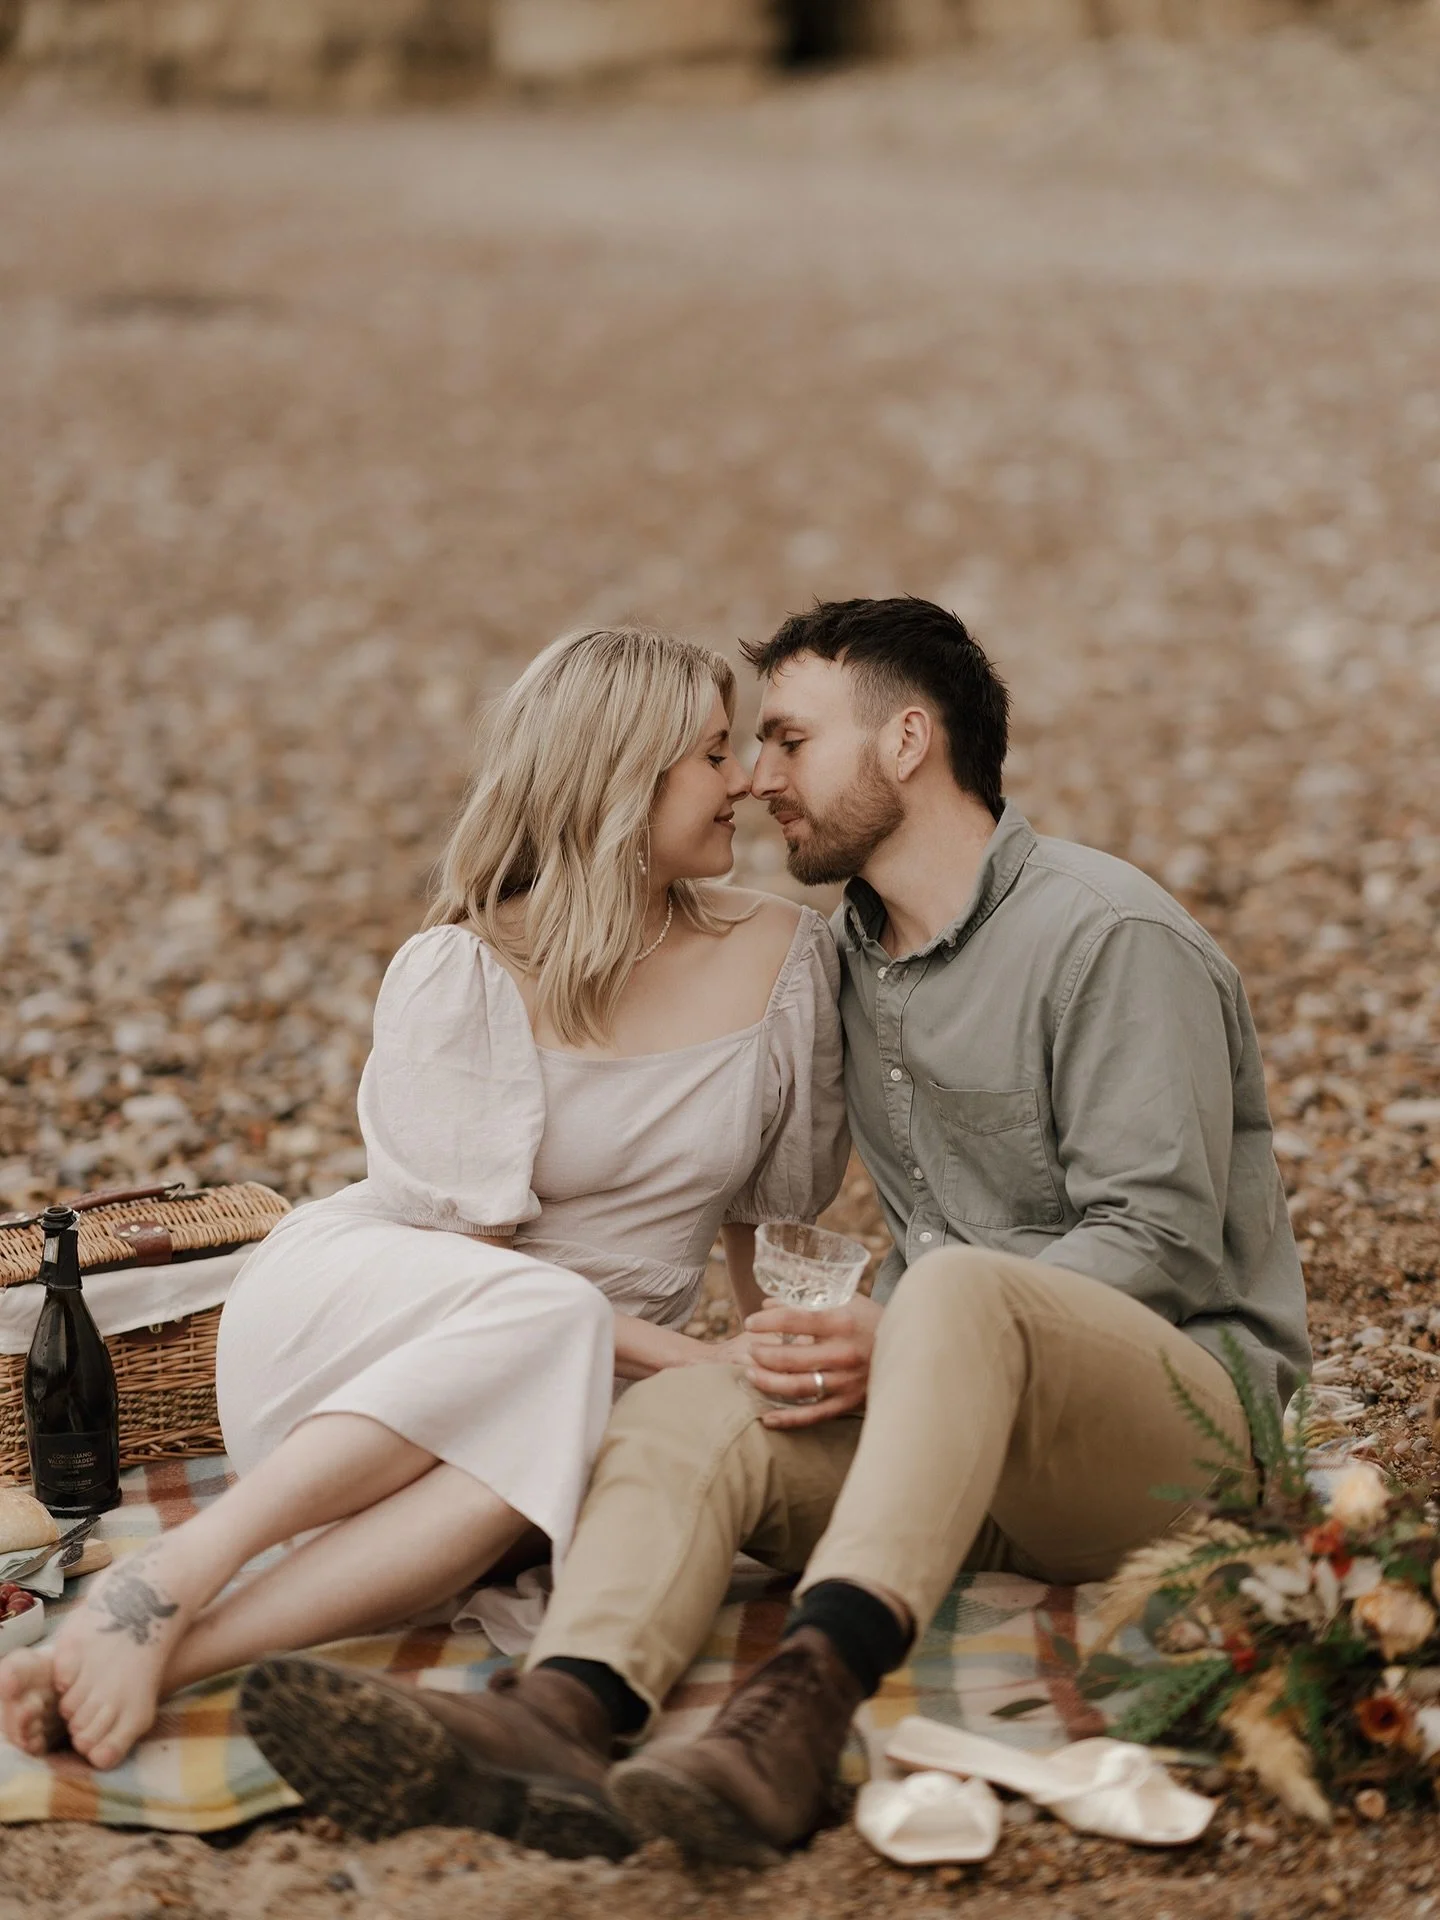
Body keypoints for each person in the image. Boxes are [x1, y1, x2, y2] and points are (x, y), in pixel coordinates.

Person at [236, 596, 1311, 1865]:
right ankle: (560, 1717)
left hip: (1172, 1436)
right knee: (683, 1415)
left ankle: (794, 1720)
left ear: (907, 742)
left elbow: (1161, 1240)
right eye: (747, 749)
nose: (758, 778)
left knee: (952, 1291)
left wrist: (899, 1332)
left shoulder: (1106, 936)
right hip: (950, 1437)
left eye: (792, 742)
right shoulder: (840, 958)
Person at [0, 626, 847, 1808]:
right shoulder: (463, 966)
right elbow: (476, 1270)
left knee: (536, 1446)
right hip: (369, 1329)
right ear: (619, 775)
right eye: (715, 753)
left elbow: (769, 1223)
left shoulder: (787, 956)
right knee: (545, 1334)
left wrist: (766, 1379)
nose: (750, 779)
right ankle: (191, 1562)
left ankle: (153, 1644)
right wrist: (697, 1362)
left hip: (564, 1363)